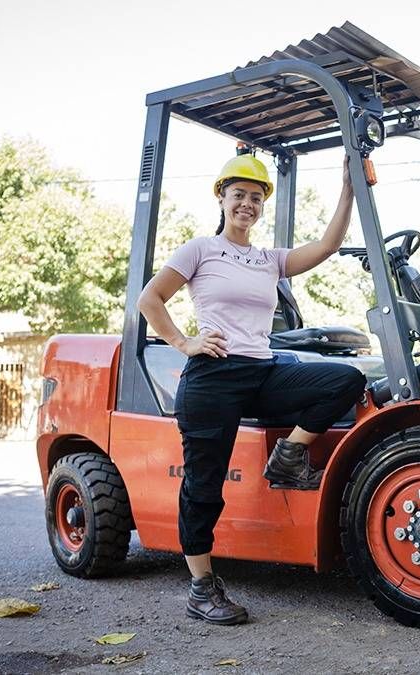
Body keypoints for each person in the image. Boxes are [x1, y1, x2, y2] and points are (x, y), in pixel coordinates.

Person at [137, 152, 367, 625]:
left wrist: (349, 187)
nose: (247, 203)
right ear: (221, 198)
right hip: (213, 378)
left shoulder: (268, 260)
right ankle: (202, 587)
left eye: (256, 197)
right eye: (239, 194)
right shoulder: (200, 249)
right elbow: (150, 299)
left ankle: (289, 456)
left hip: (261, 372)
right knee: (204, 487)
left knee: (345, 380)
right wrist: (184, 342)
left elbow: (327, 245)